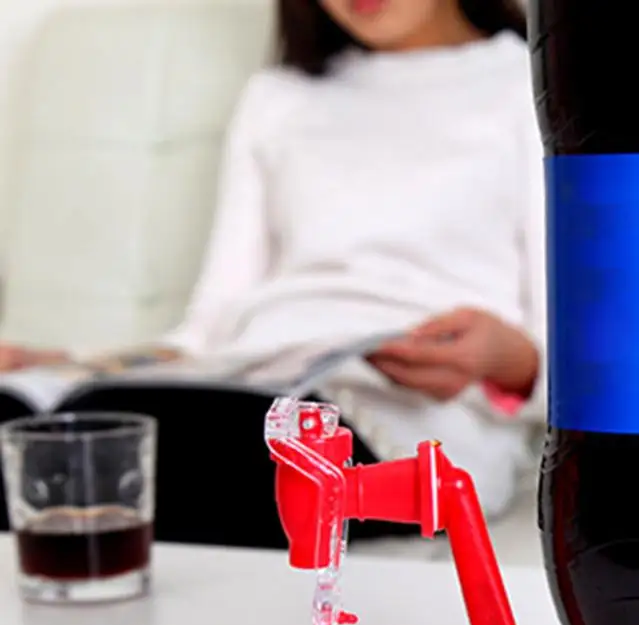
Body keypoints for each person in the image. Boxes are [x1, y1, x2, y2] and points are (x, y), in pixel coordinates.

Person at [0, 0, 545, 548]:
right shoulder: (278, 96)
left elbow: (570, 357)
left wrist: (510, 361)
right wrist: (70, 363)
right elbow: (209, 330)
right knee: (36, 420)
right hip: (254, 383)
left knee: (151, 444)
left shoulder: (529, 88)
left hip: (407, 416)